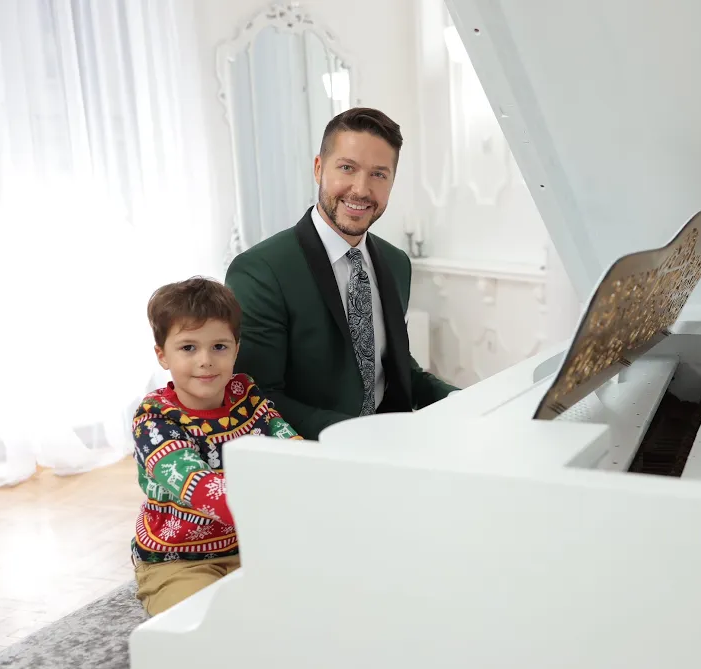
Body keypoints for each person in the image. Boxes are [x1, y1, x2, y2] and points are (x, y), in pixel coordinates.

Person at [225, 107, 459, 440]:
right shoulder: (260, 271)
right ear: (319, 168)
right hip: (312, 455)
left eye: (378, 174)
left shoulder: (396, 263)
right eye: (347, 168)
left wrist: (465, 400)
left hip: (393, 445)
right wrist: (360, 435)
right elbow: (257, 397)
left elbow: (396, 367)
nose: (361, 189)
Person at [130, 276, 302, 616]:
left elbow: (290, 447)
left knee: (300, 604)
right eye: (188, 348)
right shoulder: (154, 419)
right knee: (202, 623)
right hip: (177, 559)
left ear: (236, 349)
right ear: (162, 355)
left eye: (219, 347)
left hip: (252, 546)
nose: (206, 360)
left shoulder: (246, 396)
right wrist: (275, 504)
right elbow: (198, 485)